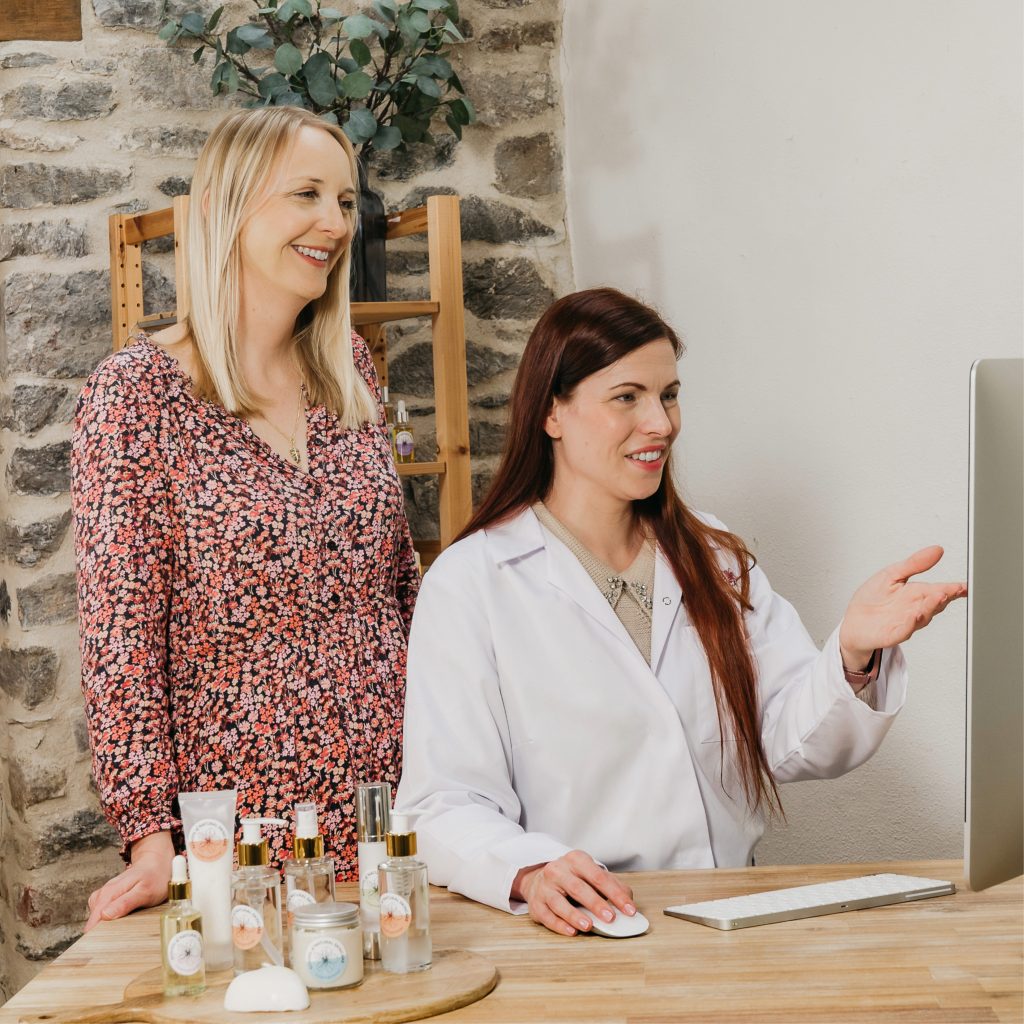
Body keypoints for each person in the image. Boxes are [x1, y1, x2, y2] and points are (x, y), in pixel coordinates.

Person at [395, 287, 965, 937]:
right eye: (627, 397)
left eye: (669, 394)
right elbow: (442, 803)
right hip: (580, 929)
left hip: (726, 919)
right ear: (552, 411)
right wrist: (530, 869)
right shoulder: (474, 582)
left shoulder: (715, 557)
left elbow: (783, 739)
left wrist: (852, 653)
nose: (662, 423)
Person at [72, 107, 418, 931]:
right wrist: (150, 838)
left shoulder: (351, 371)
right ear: (230, 207)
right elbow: (120, 641)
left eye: (344, 202)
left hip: (392, 815)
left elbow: (402, 589)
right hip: (246, 836)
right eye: (307, 194)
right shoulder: (137, 395)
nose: (334, 225)